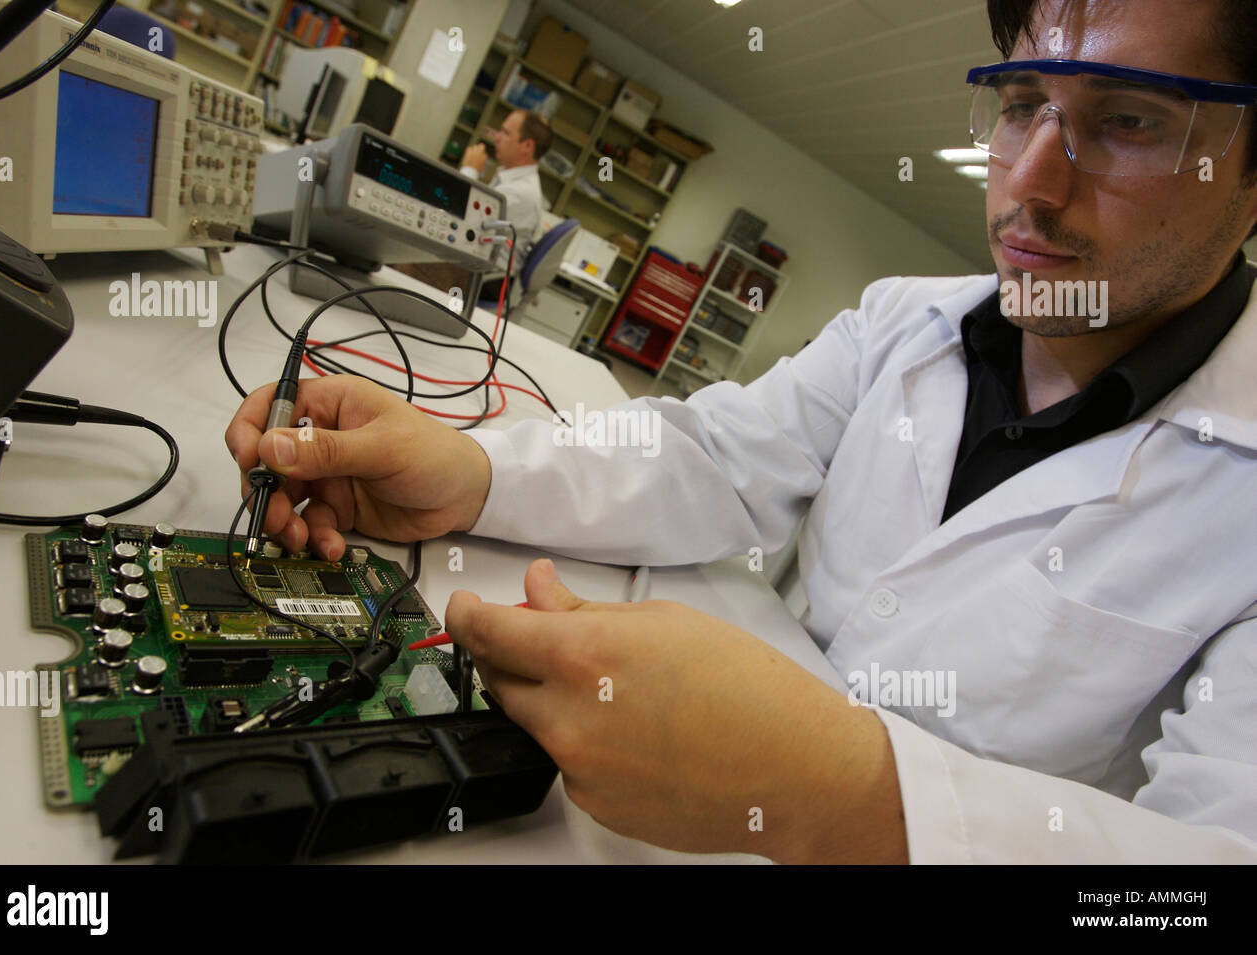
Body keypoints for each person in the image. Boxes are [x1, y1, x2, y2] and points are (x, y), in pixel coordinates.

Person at [226, 0, 1257, 863]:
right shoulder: (908, 319)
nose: (1032, 181)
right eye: (1024, 101)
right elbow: (712, 458)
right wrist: (469, 471)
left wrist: (842, 793)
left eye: (1127, 120)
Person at [395, 109, 550, 298]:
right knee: (403, 245)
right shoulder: (513, 180)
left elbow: (462, 224)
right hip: (477, 265)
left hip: (481, 279)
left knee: (402, 256)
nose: (497, 137)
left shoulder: (520, 193)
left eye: (506, 133)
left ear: (527, 146)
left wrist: (470, 170)